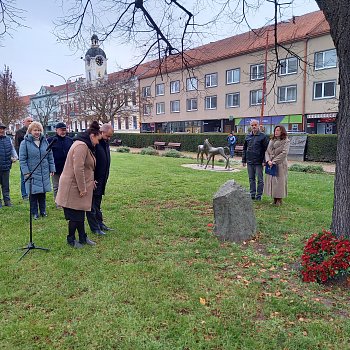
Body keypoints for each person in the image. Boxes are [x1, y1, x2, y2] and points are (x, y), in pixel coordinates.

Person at [56, 121, 101, 248]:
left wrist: (90, 182)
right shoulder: (81, 146)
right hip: (73, 186)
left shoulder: (85, 145)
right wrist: (82, 188)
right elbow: (78, 169)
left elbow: (86, 168)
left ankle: (82, 237)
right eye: (98, 139)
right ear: (92, 136)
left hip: (78, 185)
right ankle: (71, 239)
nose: (98, 142)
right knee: (75, 216)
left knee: (80, 213)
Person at [19, 121, 55, 219]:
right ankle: (34, 212)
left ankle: (43, 211)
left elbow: (50, 156)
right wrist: (26, 172)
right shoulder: (24, 143)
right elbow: (22, 159)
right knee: (33, 193)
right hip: (32, 172)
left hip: (43, 171)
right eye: (35, 130)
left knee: (42, 193)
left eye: (39, 130)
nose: (37, 132)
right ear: (30, 131)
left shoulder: (45, 141)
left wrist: (52, 168)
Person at [86, 124, 114, 235]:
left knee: (97, 203)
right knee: (91, 205)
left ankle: (100, 223)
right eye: (107, 136)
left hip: (102, 179)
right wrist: (91, 178)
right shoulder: (95, 144)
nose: (109, 138)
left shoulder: (105, 143)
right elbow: (89, 164)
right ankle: (95, 228)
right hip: (94, 180)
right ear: (101, 133)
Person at [47, 122, 73, 206]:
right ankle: (58, 202)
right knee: (56, 186)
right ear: (56, 130)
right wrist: (50, 168)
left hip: (68, 167)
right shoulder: (51, 140)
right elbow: (47, 154)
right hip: (56, 167)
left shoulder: (70, 140)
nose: (63, 132)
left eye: (65, 130)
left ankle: (67, 201)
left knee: (67, 185)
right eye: (61, 130)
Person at [242, 119, 269, 201]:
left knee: (260, 180)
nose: (254, 126)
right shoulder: (248, 136)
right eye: (252, 125)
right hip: (250, 161)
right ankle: (252, 194)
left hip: (259, 162)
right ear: (250, 126)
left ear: (258, 126)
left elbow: (266, 149)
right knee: (251, 179)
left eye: (255, 125)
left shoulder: (263, 136)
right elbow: (245, 149)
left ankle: (259, 196)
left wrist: (264, 161)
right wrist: (244, 160)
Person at [264, 125, 290, 206]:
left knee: (279, 182)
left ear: (282, 131)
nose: (276, 131)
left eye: (278, 130)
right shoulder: (272, 140)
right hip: (271, 163)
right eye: (275, 130)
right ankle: (274, 198)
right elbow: (267, 151)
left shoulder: (286, 141)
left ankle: (279, 199)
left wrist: (274, 161)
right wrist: (268, 160)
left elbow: (284, 153)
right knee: (272, 181)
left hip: (280, 164)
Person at [0, 122, 18, 207]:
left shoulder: (8, 139)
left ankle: (7, 201)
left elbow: (12, 149)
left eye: (3, 129)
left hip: (6, 165)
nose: (2, 130)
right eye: (0, 128)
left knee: (5, 185)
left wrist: (15, 157)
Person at [15, 116, 33, 200]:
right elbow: (17, 145)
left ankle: (32, 192)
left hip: (33, 158)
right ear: (24, 122)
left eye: (31, 121)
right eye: (28, 121)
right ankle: (24, 194)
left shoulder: (34, 132)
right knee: (24, 176)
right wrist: (20, 157)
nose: (30, 122)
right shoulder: (19, 132)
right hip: (24, 158)